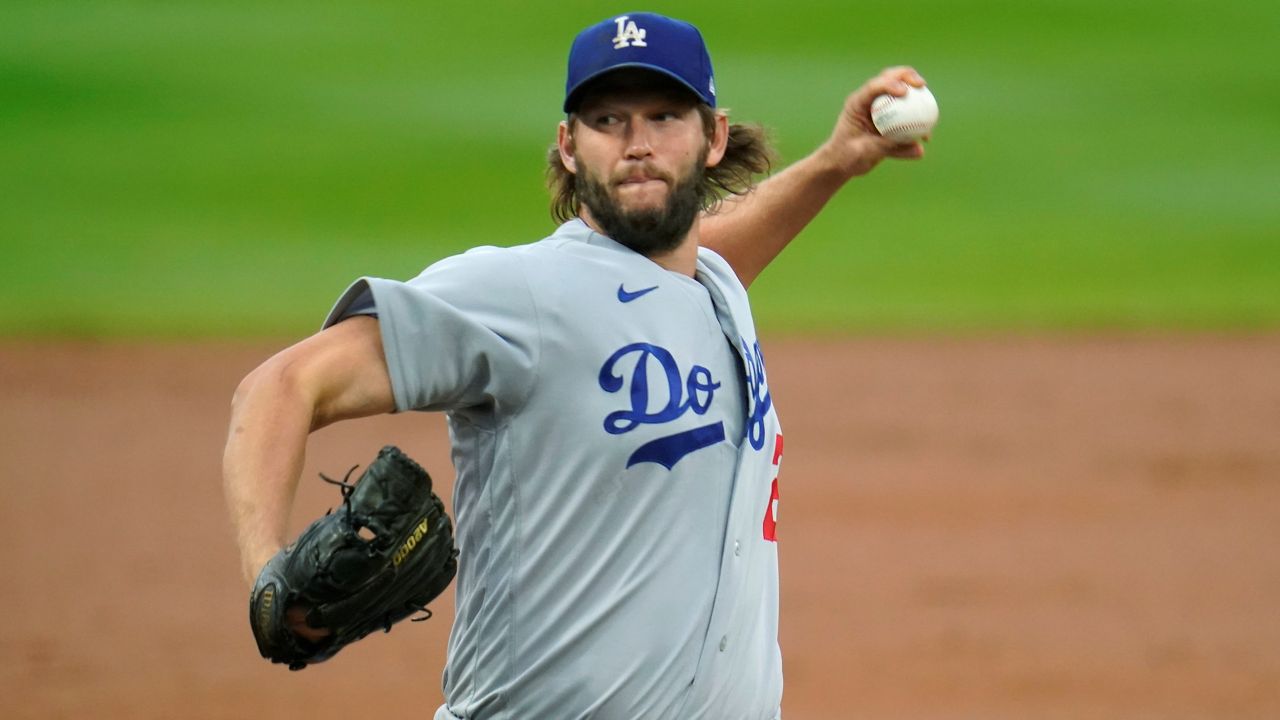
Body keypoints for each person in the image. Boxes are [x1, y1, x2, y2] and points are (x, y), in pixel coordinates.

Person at [223, 11, 928, 720]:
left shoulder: (708, 287)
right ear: (568, 146)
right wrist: (267, 576)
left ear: (713, 137)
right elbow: (281, 386)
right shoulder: (518, 295)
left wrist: (835, 160)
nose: (638, 143)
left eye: (663, 115)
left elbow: (686, 267)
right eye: (608, 120)